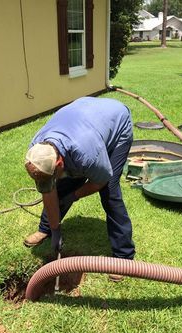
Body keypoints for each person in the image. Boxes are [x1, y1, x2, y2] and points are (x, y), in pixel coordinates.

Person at [24, 97, 135, 280]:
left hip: (117, 122)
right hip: (84, 115)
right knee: (61, 185)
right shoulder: (37, 151)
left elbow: (100, 181)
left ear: (59, 163)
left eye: (53, 174)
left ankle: (124, 256)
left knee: (110, 192)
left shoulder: (86, 154)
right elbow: (49, 191)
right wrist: (55, 229)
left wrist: (74, 195)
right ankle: (45, 229)